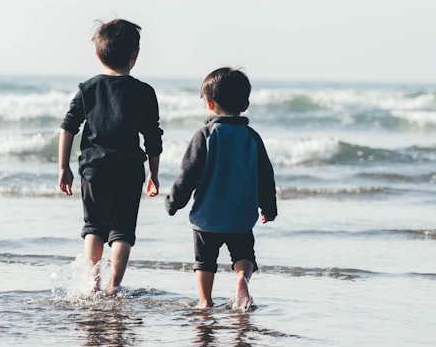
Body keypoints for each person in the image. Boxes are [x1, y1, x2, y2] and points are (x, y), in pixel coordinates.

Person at [57, 18, 163, 294]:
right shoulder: (144, 92)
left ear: (97, 53)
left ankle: (92, 284)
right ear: (135, 55)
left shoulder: (87, 88)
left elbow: (68, 128)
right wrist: (154, 173)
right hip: (129, 170)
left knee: (94, 228)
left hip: (93, 169)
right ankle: (114, 285)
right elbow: (153, 137)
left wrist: (63, 167)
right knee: (123, 231)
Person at [166, 67, 277, 310]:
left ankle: (205, 301)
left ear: (209, 103)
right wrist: (269, 207)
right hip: (241, 215)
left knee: (204, 261)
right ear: (245, 104)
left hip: (208, 216)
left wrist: (174, 202)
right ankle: (241, 279)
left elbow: (188, 173)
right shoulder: (252, 136)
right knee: (244, 254)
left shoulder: (205, 135)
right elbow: (265, 175)